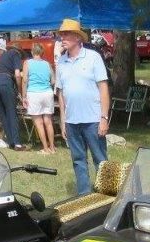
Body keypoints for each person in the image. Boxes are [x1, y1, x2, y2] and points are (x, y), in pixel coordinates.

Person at [56, 18, 110, 195]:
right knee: (78, 160)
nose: (63, 37)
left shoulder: (93, 57)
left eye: (67, 34)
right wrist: (63, 121)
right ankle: (84, 197)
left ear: (78, 38)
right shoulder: (61, 63)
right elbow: (61, 94)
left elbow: (103, 88)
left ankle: (108, 195)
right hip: (72, 122)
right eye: (61, 34)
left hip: (93, 120)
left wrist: (104, 117)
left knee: (101, 160)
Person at [0, 37, 25, 150]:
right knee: (12, 112)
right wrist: (20, 91)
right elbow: (17, 74)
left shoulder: (1, 56)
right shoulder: (16, 54)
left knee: (3, 113)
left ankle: (10, 142)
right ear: (19, 51)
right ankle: (17, 143)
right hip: (5, 81)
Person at [23, 43, 55, 155]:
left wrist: (24, 96)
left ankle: (45, 148)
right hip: (47, 92)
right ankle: (52, 147)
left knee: (39, 123)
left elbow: (25, 80)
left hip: (34, 93)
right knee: (48, 121)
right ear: (42, 53)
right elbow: (53, 81)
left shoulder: (27, 63)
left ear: (32, 52)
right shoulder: (47, 64)